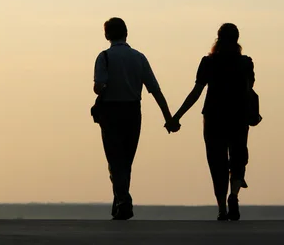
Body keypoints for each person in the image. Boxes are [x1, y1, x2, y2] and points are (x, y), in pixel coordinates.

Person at [167, 23, 255, 221]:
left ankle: (222, 208)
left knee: (217, 163)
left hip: (214, 117)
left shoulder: (209, 62)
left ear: (218, 38)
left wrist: (176, 117)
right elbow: (249, 90)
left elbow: (196, 92)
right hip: (238, 116)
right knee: (239, 156)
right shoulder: (246, 63)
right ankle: (234, 195)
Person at [93, 17, 178, 220]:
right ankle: (120, 201)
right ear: (126, 33)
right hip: (133, 111)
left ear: (107, 35)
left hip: (111, 111)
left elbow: (98, 86)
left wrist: (103, 87)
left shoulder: (104, 57)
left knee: (115, 159)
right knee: (126, 160)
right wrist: (169, 117)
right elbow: (155, 90)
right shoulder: (139, 58)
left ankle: (123, 200)